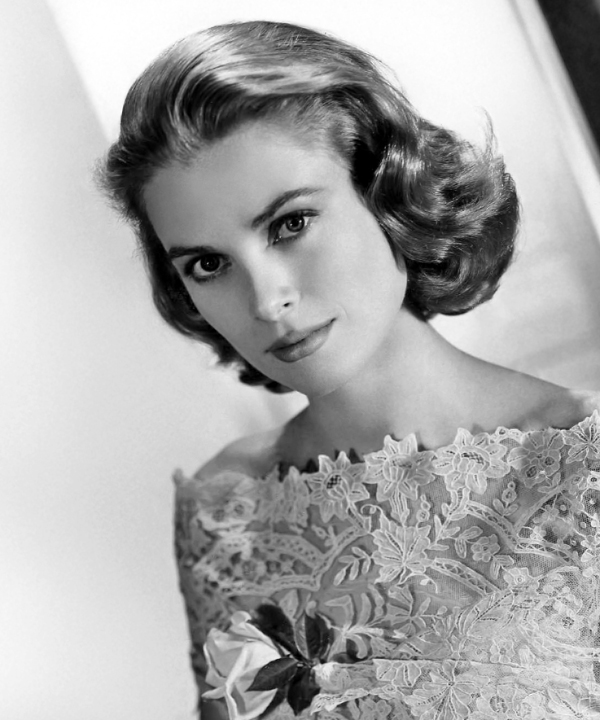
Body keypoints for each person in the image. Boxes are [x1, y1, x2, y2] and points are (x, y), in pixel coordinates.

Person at [99, 20, 600, 720]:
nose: (266, 299)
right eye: (209, 264)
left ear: (388, 193)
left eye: (291, 224)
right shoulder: (226, 509)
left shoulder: (584, 464)